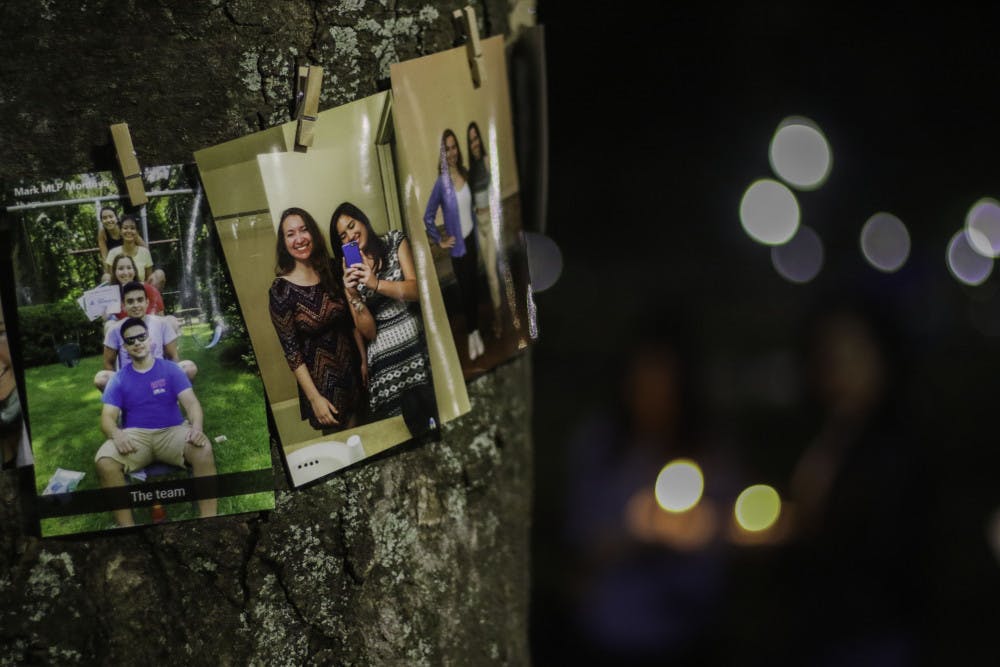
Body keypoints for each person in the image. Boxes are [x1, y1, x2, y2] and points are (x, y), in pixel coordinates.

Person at [94, 317, 217, 527]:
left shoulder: (171, 369)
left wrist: (196, 428)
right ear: (125, 347)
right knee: (104, 462)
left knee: (203, 449)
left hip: (172, 432)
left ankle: (210, 521)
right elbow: (107, 418)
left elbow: (192, 405)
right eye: (131, 340)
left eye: (141, 337)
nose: (137, 343)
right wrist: (116, 434)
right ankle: (128, 529)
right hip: (136, 438)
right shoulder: (118, 378)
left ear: (150, 339)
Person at [268, 207, 374, 431]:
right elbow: (292, 353)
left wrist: (364, 360)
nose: (299, 239)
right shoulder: (281, 291)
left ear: (313, 234)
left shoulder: (333, 268)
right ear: (284, 243)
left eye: (304, 230)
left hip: (355, 372)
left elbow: (350, 322)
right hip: (324, 387)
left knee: (370, 435)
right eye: (291, 234)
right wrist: (314, 398)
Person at [331, 202, 433, 420]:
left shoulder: (395, 241)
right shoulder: (351, 275)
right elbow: (369, 333)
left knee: (431, 412)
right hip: (384, 367)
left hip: (416, 347)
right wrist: (352, 294)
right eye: (342, 236)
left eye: (352, 225)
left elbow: (417, 290)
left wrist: (376, 284)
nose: (350, 235)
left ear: (363, 220)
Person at [423, 128, 485, 361]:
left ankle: (477, 331)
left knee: (475, 289)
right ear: (442, 153)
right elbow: (428, 217)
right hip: (458, 247)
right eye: (446, 149)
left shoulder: (466, 173)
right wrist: (440, 240)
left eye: (454, 147)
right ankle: (471, 335)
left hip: (473, 241)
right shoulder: (441, 184)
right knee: (466, 290)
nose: (451, 152)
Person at [93, 281, 197, 392]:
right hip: (130, 381)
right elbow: (108, 363)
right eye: (130, 301)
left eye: (140, 300)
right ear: (123, 305)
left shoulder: (162, 324)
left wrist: (171, 381)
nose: (136, 305)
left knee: (189, 368)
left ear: (147, 302)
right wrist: (119, 387)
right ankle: (122, 403)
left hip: (159, 377)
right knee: (101, 379)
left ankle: (171, 399)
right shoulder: (114, 330)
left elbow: (173, 357)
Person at [466, 121, 504, 336]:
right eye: (470, 140)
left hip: (491, 223)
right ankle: (498, 311)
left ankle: (499, 319)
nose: (474, 143)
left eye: (476, 138)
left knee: (491, 272)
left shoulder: (488, 162)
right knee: (489, 273)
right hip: (478, 226)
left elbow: (496, 191)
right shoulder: (470, 171)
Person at [102, 254, 175, 335]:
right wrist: (106, 316)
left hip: (149, 330)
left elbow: (161, 316)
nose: (126, 272)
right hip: (125, 332)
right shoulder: (111, 295)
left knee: (171, 321)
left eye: (129, 268)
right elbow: (108, 320)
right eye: (121, 269)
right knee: (108, 325)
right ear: (115, 272)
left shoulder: (148, 289)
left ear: (134, 270)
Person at [104, 214, 166, 291]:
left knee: (159, 274)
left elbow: (149, 279)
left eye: (132, 228)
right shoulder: (112, 253)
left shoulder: (144, 252)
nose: (129, 231)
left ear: (137, 232)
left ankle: (153, 302)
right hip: (120, 292)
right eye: (125, 228)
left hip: (140, 291)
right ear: (120, 231)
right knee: (106, 277)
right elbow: (112, 279)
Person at [97, 206, 146, 283]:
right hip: (116, 267)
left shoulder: (126, 228)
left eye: (111, 217)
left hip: (133, 263)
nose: (108, 220)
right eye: (105, 218)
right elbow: (104, 257)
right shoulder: (102, 233)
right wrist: (109, 273)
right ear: (102, 221)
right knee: (106, 278)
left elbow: (144, 246)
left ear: (116, 218)